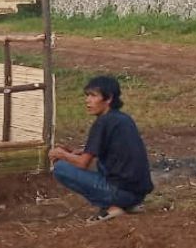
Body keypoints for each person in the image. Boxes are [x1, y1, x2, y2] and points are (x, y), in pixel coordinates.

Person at [49, 75, 153, 223]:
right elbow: (114, 150)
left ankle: (111, 207)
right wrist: (78, 152)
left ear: (108, 98)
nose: (88, 100)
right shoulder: (122, 119)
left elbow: (82, 163)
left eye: (93, 96)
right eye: (87, 96)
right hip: (137, 194)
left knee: (60, 168)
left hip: (119, 192)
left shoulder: (103, 123)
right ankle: (126, 205)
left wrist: (61, 154)